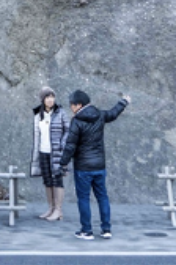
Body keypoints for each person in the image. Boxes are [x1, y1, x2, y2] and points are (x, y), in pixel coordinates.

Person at [59, 90, 130, 241]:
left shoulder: (77, 121)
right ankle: (106, 229)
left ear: (79, 105)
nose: (71, 107)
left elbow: (70, 145)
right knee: (102, 197)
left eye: (72, 105)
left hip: (83, 168)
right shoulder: (100, 115)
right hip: (99, 166)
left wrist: (63, 164)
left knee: (84, 199)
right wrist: (123, 102)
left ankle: (87, 231)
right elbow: (113, 113)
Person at [30, 85, 70, 221]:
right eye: (47, 97)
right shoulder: (38, 115)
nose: (50, 99)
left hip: (56, 153)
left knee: (57, 180)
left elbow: (68, 131)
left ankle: (58, 210)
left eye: (52, 96)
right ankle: (51, 208)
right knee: (47, 181)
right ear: (43, 99)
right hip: (43, 152)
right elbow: (37, 135)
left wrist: (61, 146)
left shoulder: (61, 113)